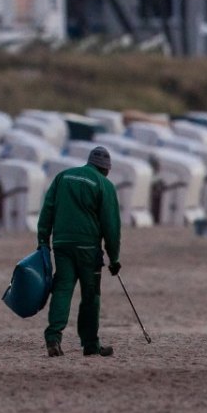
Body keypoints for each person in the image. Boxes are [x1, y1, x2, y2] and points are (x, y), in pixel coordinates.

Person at [37, 145, 121, 357]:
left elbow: (47, 208)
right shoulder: (105, 185)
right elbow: (111, 226)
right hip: (88, 248)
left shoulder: (63, 177)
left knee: (62, 289)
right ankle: (91, 344)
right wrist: (114, 258)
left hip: (62, 244)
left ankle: (53, 338)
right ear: (106, 169)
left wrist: (43, 240)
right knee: (91, 295)